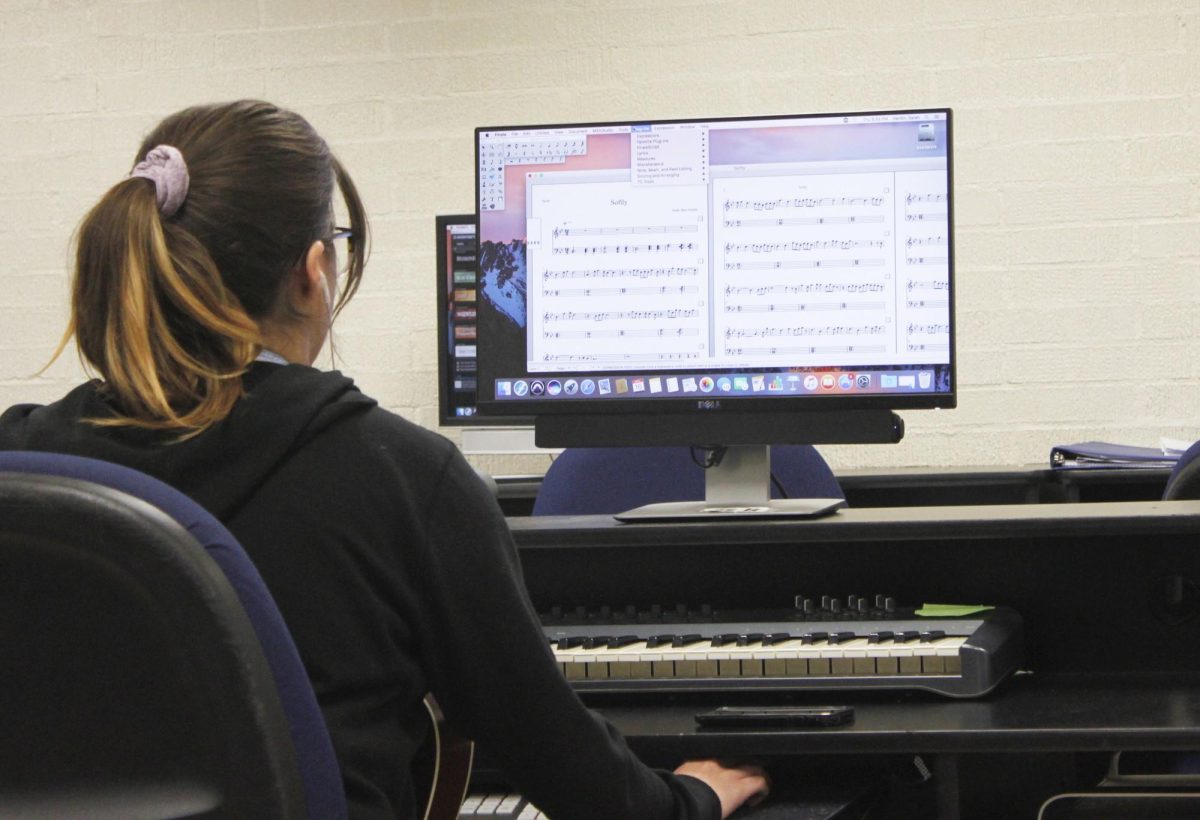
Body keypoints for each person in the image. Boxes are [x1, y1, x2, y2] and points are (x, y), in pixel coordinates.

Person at [0, 100, 768, 820]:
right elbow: (561, 766)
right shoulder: (403, 477)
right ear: (312, 271)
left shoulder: (24, 463)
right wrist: (689, 800)